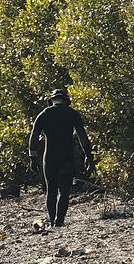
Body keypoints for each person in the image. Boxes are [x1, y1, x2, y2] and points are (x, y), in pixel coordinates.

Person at [29, 89, 94, 227]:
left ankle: (52, 220)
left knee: (50, 190)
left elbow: (34, 136)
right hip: (66, 157)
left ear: (52, 100)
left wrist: (32, 157)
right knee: (64, 191)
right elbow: (82, 136)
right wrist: (88, 156)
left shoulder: (44, 114)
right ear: (66, 100)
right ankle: (60, 220)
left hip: (49, 158)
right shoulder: (73, 114)